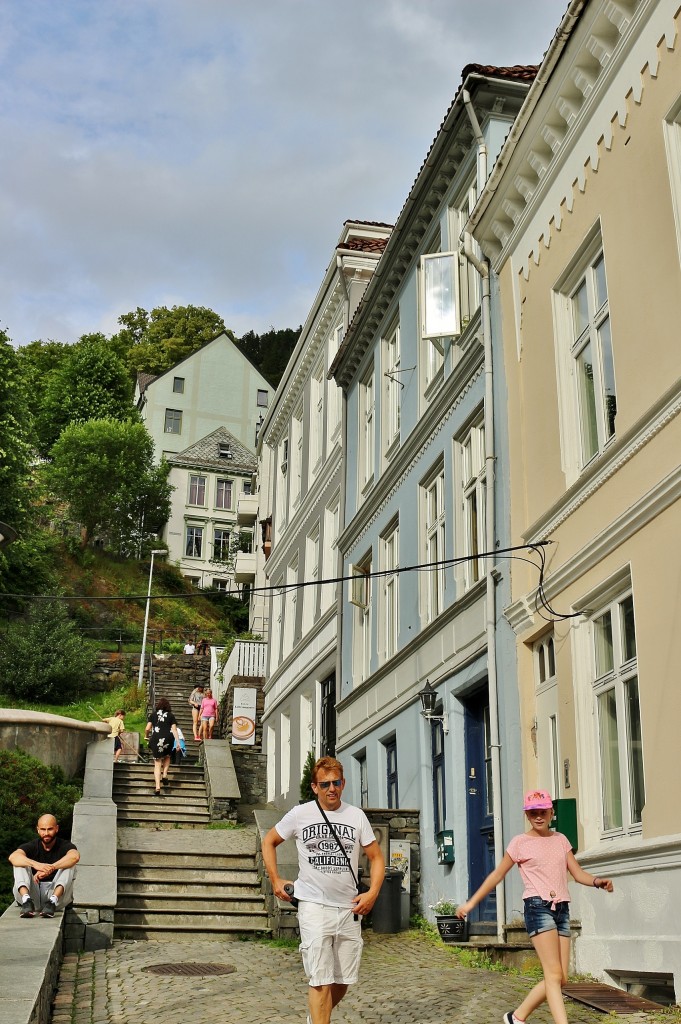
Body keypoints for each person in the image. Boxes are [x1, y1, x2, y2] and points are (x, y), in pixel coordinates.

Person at [455, 789, 614, 1024]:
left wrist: (597, 882)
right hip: (538, 908)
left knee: (561, 979)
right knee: (552, 974)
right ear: (527, 816)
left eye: (542, 812)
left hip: (561, 909)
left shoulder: (561, 840)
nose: (538, 817)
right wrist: (470, 903)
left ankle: (516, 1018)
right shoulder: (520, 843)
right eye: (533, 813)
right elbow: (497, 875)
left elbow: (577, 873)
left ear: (551, 813)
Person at [262, 756, 385, 1024]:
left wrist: (373, 892)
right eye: (325, 784)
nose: (332, 788)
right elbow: (269, 841)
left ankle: (315, 1017)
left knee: (343, 980)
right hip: (313, 906)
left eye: (336, 782)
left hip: (349, 908)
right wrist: (275, 879)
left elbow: (376, 858)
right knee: (320, 978)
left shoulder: (356, 816)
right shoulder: (300, 813)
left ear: (343, 784)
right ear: (315, 787)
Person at [9, 814, 80, 918]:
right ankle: (26, 900)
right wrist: (37, 865)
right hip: (33, 895)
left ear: (56, 828)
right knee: (20, 863)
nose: (46, 833)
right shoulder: (31, 846)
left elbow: (75, 857)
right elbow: (13, 857)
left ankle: (52, 901)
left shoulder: (65, 845)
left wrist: (50, 868)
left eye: (50, 829)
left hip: (56, 897)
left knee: (70, 865)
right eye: (43, 829)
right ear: (38, 830)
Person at [144, 697, 181, 795]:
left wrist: (146, 736)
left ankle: (157, 787)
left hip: (156, 738)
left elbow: (147, 729)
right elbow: (174, 729)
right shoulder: (171, 715)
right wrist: (178, 742)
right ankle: (164, 774)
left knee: (157, 762)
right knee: (167, 756)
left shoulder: (153, 715)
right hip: (168, 738)